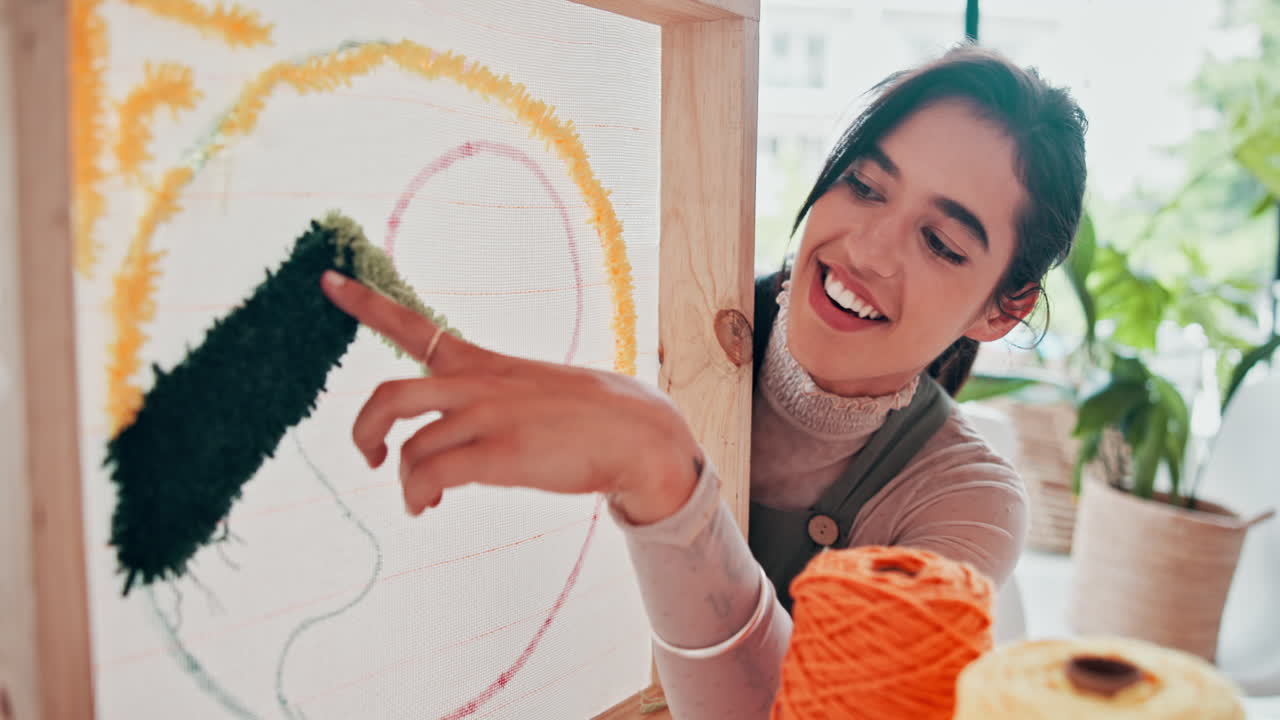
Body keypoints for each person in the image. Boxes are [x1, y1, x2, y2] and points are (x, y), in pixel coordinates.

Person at [320, 45, 1087, 719]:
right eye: (864, 184)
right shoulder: (654, 309)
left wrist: (665, 478)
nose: (869, 249)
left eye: (941, 243)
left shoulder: (965, 505)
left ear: (1002, 308)